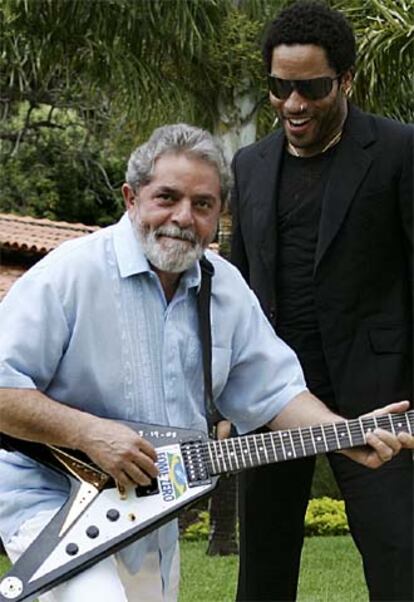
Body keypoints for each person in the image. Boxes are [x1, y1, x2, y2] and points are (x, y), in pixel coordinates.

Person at [0, 125, 411, 602]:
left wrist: (345, 432)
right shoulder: (71, 273)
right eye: (166, 198)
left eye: (202, 205)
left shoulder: (225, 288)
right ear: (131, 197)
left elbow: (276, 393)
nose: (182, 217)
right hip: (50, 500)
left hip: (149, 509)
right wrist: (87, 432)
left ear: (220, 213)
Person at [231, 2, 413, 601]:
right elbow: (238, 283)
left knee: (399, 558)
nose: (293, 104)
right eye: (280, 87)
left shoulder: (397, 151)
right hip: (276, 398)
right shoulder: (251, 164)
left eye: (311, 87)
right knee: (263, 566)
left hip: (378, 397)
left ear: (346, 80)